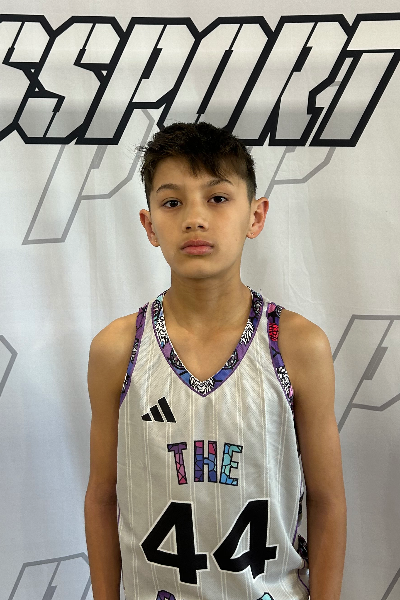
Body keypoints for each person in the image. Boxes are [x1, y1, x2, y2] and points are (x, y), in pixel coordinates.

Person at [84, 122, 347, 600]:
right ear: (149, 225)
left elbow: (327, 502)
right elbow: (102, 498)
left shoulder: (298, 345)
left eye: (218, 198)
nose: (195, 218)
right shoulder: (117, 348)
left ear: (256, 215)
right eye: (172, 202)